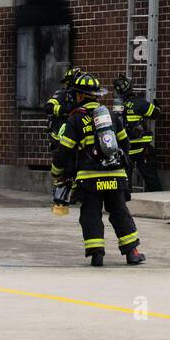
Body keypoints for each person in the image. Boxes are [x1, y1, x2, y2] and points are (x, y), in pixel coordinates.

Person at [51, 72, 145, 267]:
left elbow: (64, 151)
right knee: (120, 212)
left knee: (90, 214)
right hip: (115, 175)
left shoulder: (75, 119)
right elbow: (125, 144)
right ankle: (132, 253)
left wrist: (57, 171)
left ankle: (97, 254)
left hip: (89, 178)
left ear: (79, 96)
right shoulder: (110, 115)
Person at [114, 73, 162, 192]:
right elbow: (155, 114)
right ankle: (155, 197)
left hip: (126, 149)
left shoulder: (117, 106)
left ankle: (126, 201)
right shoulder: (139, 103)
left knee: (125, 178)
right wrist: (157, 106)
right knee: (151, 178)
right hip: (142, 148)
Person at [45, 66, 83, 156]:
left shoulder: (82, 96)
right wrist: (64, 109)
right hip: (61, 137)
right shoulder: (62, 94)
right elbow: (48, 107)